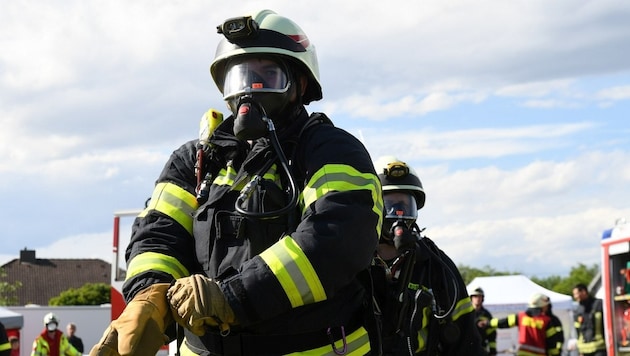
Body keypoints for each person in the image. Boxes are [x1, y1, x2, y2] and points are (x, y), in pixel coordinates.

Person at [90, 9, 383, 356]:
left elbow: (336, 239)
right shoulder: (195, 159)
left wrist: (229, 299)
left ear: (299, 84)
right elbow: (157, 235)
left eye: (265, 76)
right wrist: (150, 296)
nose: (248, 91)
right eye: (238, 78)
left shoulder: (330, 148)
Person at [372, 156, 485, 355]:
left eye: (405, 205)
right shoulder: (352, 259)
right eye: (389, 205)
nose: (398, 214)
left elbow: (466, 339)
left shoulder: (435, 265)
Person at [489, 293, 556, 356]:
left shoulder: (521, 316)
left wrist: (488, 323)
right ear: (542, 306)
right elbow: (552, 342)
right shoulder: (547, 321)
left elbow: (503, 322)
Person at [572, 283, 606, 356]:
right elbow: (578, 331)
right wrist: (580, 351)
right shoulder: (578, 310)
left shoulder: (599, 304)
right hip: (584, 349)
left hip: (599, 348)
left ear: (584, 292)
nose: (575, 297)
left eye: (577, 294)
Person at [469, 286, 497, 355]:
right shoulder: (467, 313)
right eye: (475, 296)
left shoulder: (487, 315)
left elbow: (492, 334)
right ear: (471, 298)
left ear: (482, 298)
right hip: (467, 349)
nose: (477, 299)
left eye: (479, 296)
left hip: (481, 349)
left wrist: (492, 351)